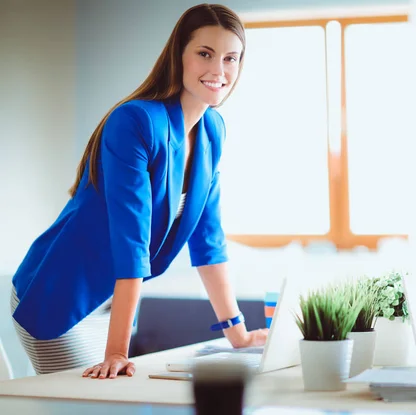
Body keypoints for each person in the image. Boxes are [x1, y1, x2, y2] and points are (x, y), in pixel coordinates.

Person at [10, 3, 268, 379]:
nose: (219, 70)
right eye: (205, 54)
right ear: (179, 55)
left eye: (231, 58)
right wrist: (116, 351)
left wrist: (239, 334)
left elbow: (208, 241)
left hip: (115, 303)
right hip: (61, 294)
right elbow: (130, 238)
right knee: (87, 404)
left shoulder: (213, 130)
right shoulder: (135, 121)